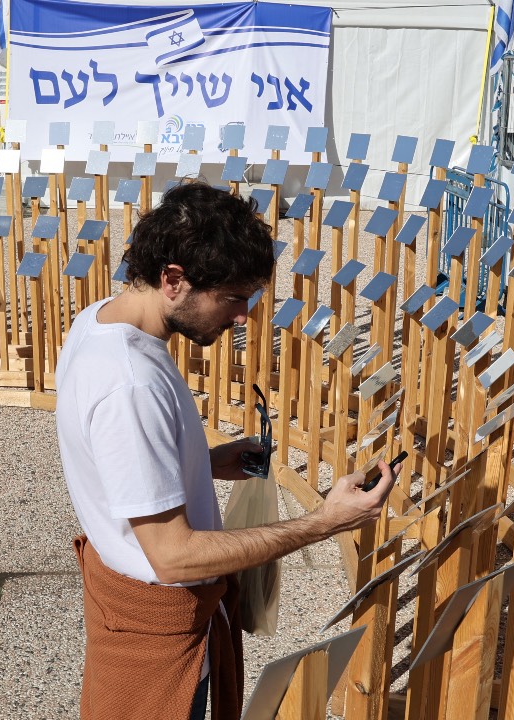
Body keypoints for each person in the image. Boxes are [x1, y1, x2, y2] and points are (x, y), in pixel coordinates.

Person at [55, 182, 398, 720]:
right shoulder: (130, 384)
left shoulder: (100, 319)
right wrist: (323, 521)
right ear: (174, 280)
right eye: (233, 297)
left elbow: (117, 467)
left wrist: (210, 463)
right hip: (157, 636)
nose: (244, 316)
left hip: (140, 610)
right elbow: (172, 556)